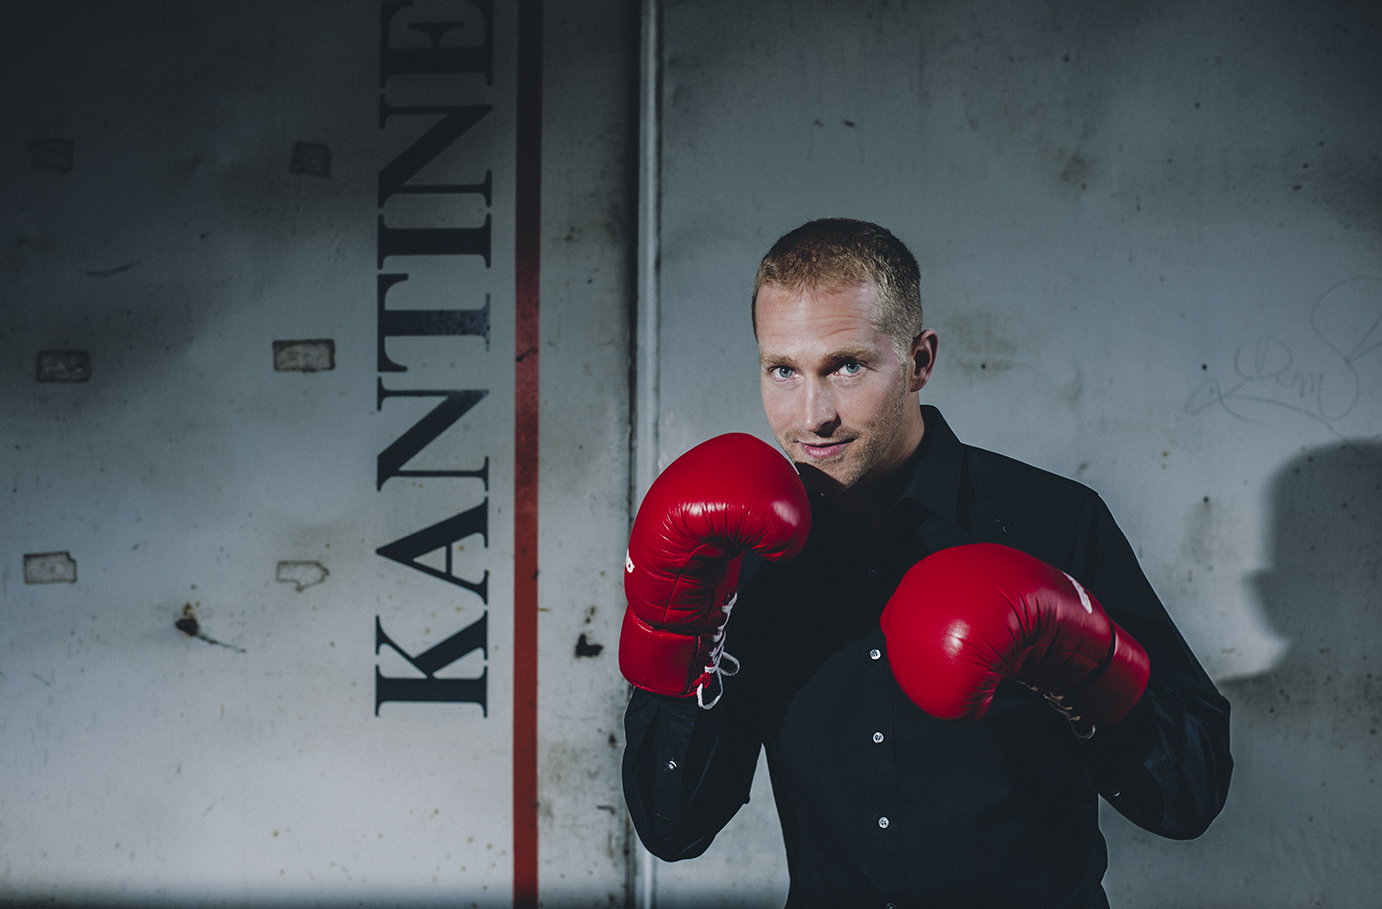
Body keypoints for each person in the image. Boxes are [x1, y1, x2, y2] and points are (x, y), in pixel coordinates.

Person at [619, 218, 1232, 908]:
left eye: (847, 366)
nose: (812, 415)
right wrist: (684, 637)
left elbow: (1190, 797)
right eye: (783, 370)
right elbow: (672, 827)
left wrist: (1086, 673)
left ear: (919, 360)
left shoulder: (1051, 522)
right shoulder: (741, 558)